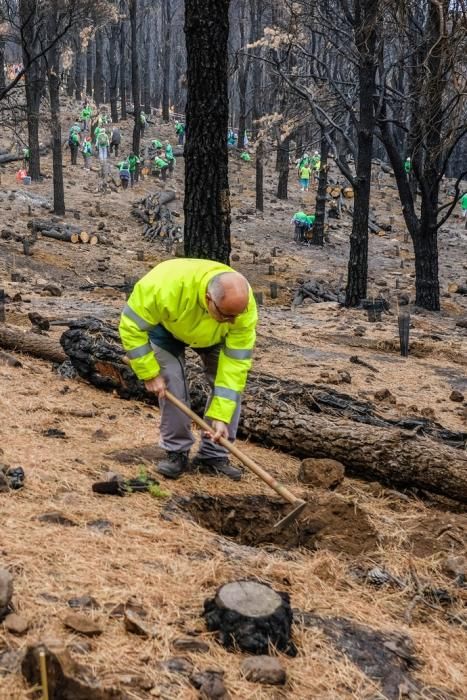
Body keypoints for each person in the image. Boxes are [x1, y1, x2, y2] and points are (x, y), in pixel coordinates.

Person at [119, 258, 258, 481]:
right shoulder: (163, 285)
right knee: (172, 382)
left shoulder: (242, 308)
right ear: (208, 299)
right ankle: (177, 452)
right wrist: (149, 372)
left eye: (236, 317)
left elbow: (236, 365)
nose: (233, 321)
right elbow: (131, 326)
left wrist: (221, 416)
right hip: (166, 330)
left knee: (230, 390)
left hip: (215, 337)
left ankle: (214, 456)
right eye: (226, 315)